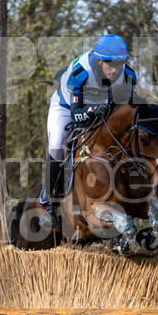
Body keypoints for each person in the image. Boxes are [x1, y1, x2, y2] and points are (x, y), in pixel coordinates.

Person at [40, 34, 137, 228]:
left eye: (119, 64)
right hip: (66, 109)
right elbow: (77, 115)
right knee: (57, 146)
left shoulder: (128, 77)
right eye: (110, 64)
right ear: (99, 60)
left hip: (101, 110)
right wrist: (93, 111)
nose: (115, 69)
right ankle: (50, 205)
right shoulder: (81, 72)